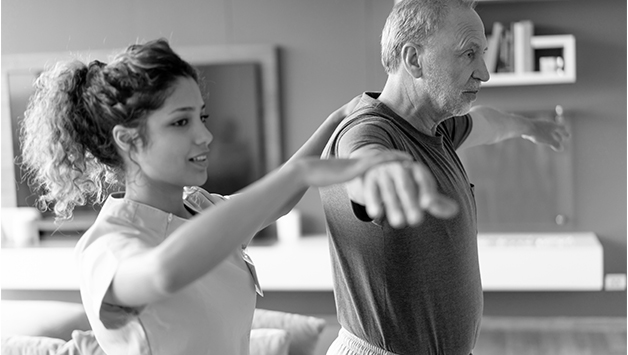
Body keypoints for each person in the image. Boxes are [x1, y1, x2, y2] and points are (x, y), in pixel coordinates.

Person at [19, 38, 457, 354]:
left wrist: (339, 120)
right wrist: (305, 171)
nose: (205, 135)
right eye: (180, 122)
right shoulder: (109, 247)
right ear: (128, 140)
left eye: (202, 117)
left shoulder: (198, 208)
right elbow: (165, 271)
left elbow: (272, 201)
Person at [319, 1, 570, 354]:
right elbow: (362, 158)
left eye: (482, 54)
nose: (484, 72)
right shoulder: (368, 128)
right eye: (468, 54)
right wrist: (382, 175)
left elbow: (488, 123)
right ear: (413, 59)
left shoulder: (433, 127)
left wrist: (531, 128)